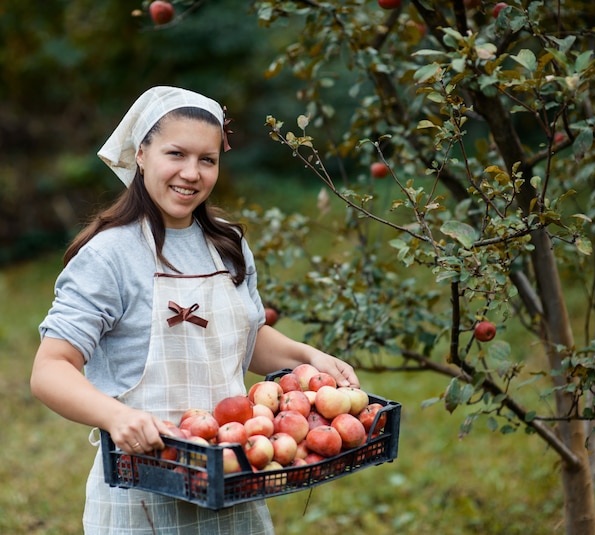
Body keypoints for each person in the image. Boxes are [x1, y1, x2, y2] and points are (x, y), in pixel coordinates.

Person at [30, 86, 360, 534]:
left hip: (234, 484)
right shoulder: (109, 255)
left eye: (207, 159)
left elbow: (245, 336)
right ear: (141, 153)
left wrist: (307, 357)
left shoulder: (228, 244)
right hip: (142, 492)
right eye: (176, 154)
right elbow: (51, 368)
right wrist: (117, 417)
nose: (192, 173)